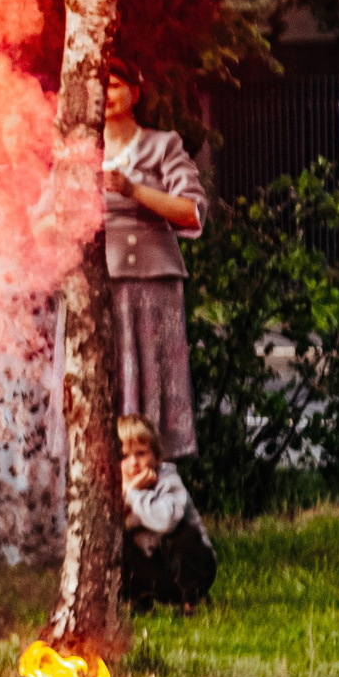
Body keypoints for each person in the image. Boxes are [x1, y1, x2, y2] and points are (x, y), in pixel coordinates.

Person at [0, 101, 66, 566]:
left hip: (43, 301)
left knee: (38, 413)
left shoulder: (55, 184)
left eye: (26, 127)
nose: (17, 135)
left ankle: (41, 532)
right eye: (9, 126)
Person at [99, 57, 208, 460]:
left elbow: (192, 212)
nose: (105, 93)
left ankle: (155, 476)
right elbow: (44, 221)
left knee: (153, 382)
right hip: (100, 285)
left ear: (135, 92)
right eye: (98, 84)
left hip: (153, 283)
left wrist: (134, 189)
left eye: (114, 84)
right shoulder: (79, 151)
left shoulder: (164, 145)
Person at [117, 415, 214, 609]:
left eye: (141, 453)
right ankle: (136, 597)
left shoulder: (168, 481)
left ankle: (191, 599)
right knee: (116, 537)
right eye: (124, 456)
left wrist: (134, 494)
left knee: (181, 533)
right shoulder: (119, 487)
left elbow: (166, 522)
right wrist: (125, 496)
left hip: (194, 569)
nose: (133, 463)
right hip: (151, 570)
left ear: (157, 457)